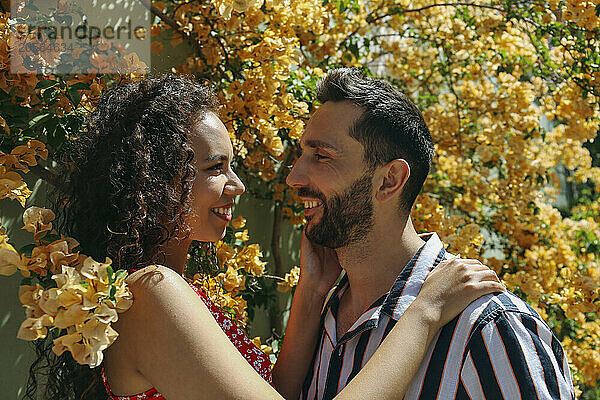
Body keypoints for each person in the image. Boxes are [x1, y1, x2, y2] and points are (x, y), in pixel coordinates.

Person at [28, 74, 504, 400]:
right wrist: (424, 312)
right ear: (156, 181)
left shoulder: (156, 289)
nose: (236, 185)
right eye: (215, 168)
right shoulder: (152, 292)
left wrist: (311, 291)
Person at [272, 68, 575, 400]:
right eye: (302, 154)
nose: (294, 177)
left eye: (321, 156)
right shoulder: (320, 316)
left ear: (389, 181)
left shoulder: (487, 328)